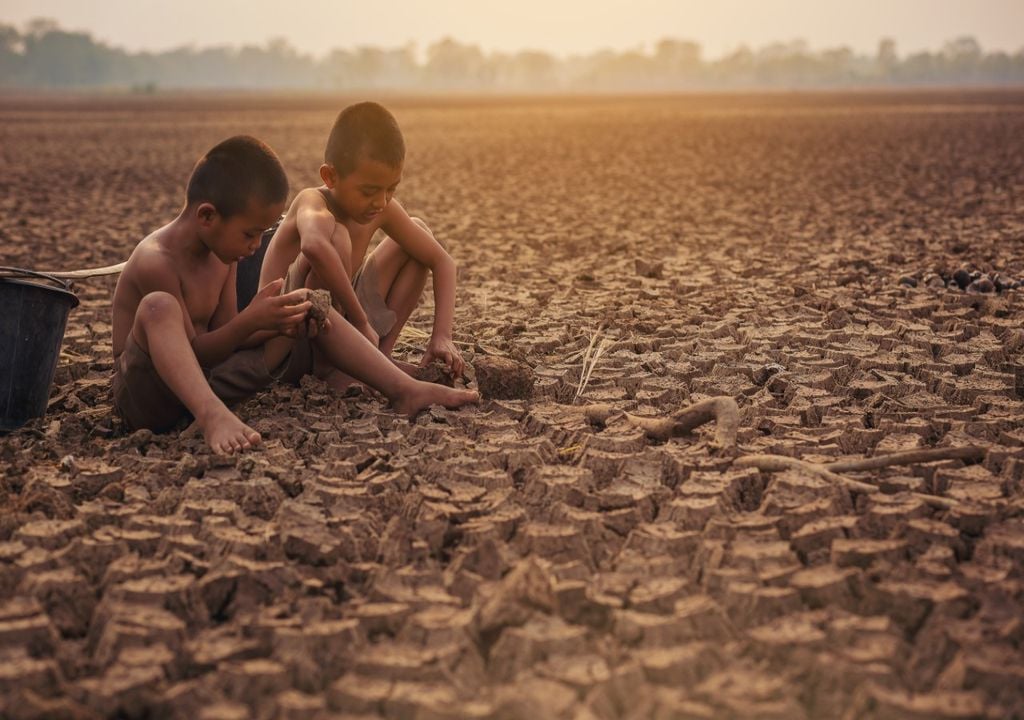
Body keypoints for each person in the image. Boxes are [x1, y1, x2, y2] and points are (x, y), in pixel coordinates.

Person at [111, 135, 477, 455]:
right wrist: (249, 323)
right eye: (250, 235)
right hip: (151, 396)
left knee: (307, 305)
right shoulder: (156, 261)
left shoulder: (224, 254)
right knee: (159, 307)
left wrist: (267, 320)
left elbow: (222, 340)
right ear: (207, 216)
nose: (256, 247)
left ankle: (403, 389)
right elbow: (193, 348)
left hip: (209, 380)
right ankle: (212, 417)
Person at [259, 101, 464, 389]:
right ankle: (334, 369)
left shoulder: (382, 208)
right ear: (330, 177)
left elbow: (443, 262)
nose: (380, 202)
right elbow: (315, 248)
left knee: (418, 233)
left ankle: (378, 359)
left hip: (347, 318)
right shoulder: (311, 202)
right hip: (290, 339)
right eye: (369, 191)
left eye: (391, 189)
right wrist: (360, 321)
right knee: (336, 238)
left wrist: (442, 336)